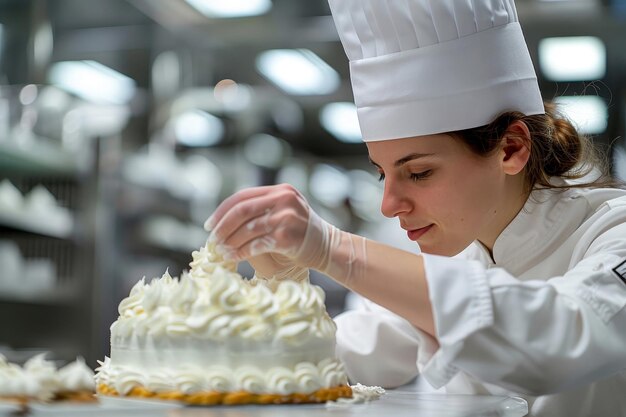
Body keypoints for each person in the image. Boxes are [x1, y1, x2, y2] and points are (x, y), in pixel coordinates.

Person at [204, 0, 626, 415]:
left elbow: (558, 339)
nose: (388, 206)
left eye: (420, 173)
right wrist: (285, 286)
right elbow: (327, 361)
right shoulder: (457, 253)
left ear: (511, 148)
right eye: (382, 174)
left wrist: (335, 251)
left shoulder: (613, 232)